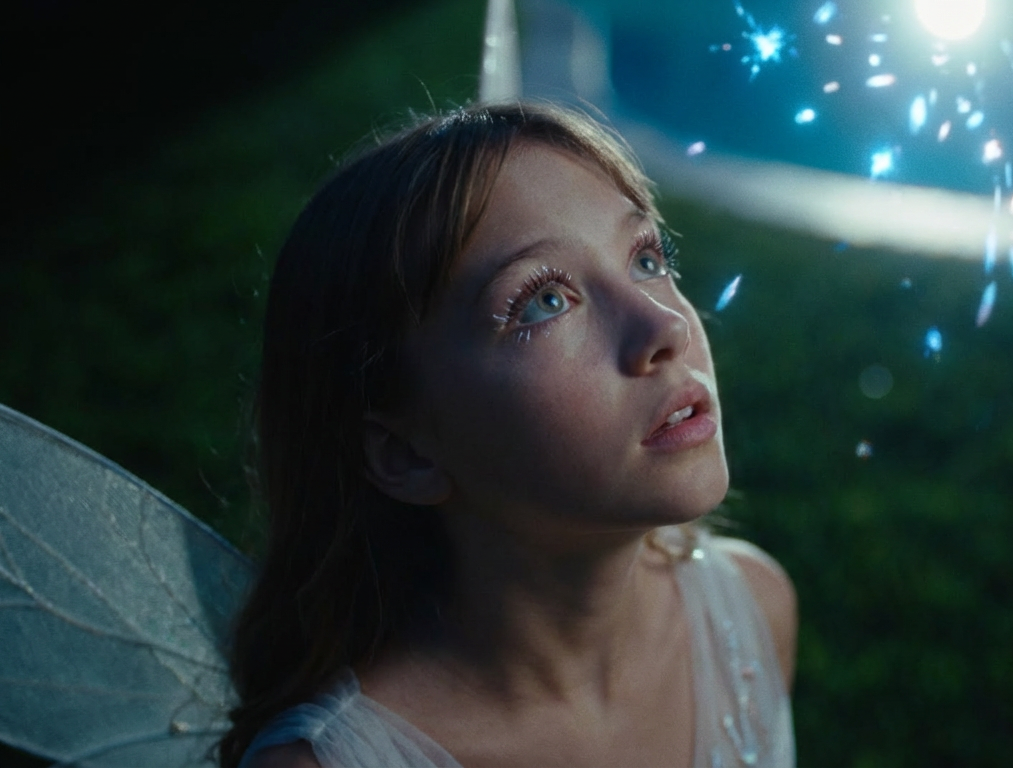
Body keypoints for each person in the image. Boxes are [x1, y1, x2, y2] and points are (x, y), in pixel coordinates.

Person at [218, 102, 797, 768]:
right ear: (405, 452)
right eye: (544, 302)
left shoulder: (750, 613)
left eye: (647, 257)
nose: (665, 326)